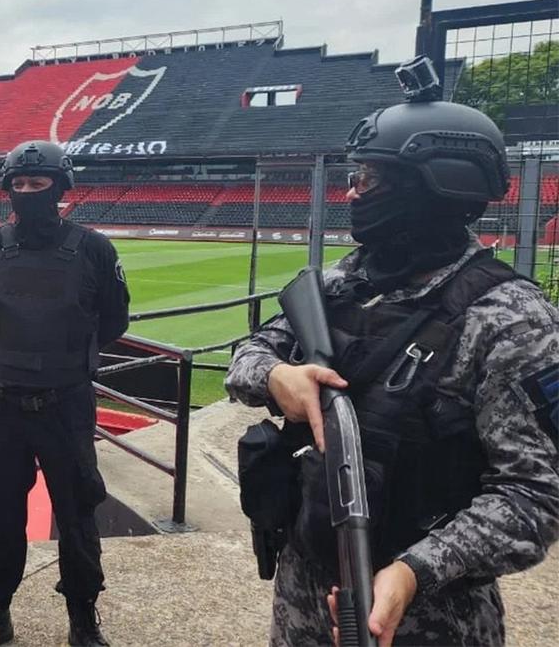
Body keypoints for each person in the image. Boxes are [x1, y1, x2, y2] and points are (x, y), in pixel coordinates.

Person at [226, 82, 559, 646]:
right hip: (302, 596)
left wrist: (414, 571)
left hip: (430, 618)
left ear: (431, 185)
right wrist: (277, 377)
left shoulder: (513, 319)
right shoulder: (341, 284)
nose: (353, 194)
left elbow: (533, 498)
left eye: (369, 179)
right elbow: (249, 355)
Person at [0, 140, 130, 647]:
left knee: (77, 515)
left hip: (65, 406)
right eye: (20, 184)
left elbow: (113, 321)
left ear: (61, 187)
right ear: (8, 189)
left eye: (39, 183)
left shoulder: (94, 248)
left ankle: (82, 617)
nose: (28, 192)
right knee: (1, 514)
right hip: (3, 404)